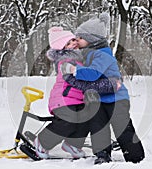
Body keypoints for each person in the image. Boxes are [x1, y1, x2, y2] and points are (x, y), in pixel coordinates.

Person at [61, 13, 145, 164]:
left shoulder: (103, 54)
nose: (77, 40)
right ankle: (102, 155)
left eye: (80, 38)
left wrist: (74, 70)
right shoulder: (88, 54)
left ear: (92, 39)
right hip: (98, 99)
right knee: (98, 127)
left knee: (122, 127)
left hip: (116, 99)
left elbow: (93, 74)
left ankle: (135, 156)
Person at [33, 27, 119, 159]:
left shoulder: (79, 59)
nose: (73, 43)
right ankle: (43, 142)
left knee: (85, 119)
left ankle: (72, 144)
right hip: (64, 99)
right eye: (68, 43)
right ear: (61, 49)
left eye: (73, 40)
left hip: (77, 99)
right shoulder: (65, 61)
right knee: (68, 121)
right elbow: (79, 78)